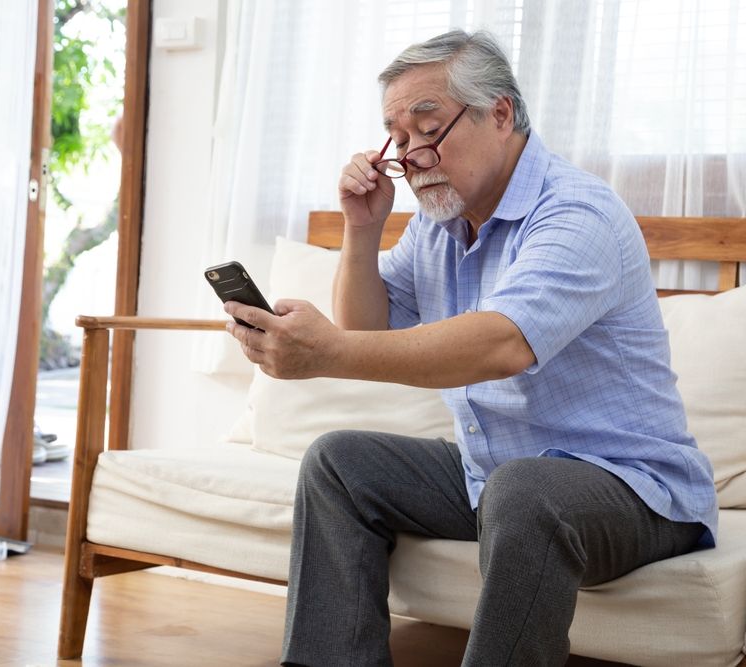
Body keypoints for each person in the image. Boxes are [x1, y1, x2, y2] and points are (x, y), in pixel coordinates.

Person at [224, 29, 718, 667]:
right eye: (398, 139)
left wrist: (328, 354)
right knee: (339, 463)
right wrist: (363, 227)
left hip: (635, 491)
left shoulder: (577, 213)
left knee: (524, 489)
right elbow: (368, 331)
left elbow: (502, 344)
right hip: (498, 474)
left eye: (427, 128)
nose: (412, 155)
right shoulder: (440, 224)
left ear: (500, 113)